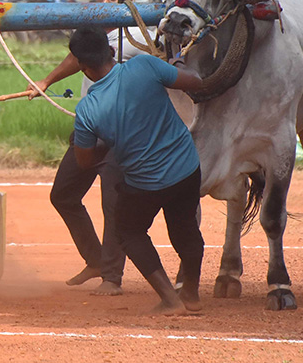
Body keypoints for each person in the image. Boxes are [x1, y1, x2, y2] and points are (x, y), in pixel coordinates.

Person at [67, 27, 206, 314]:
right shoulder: (145, 65)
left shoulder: (88, 110)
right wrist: (178, 63)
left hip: (145, 183)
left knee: (129, 231)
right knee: (186, 228)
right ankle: (190, 291)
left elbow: (83, 162)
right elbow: (195, 83)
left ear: (83, 68)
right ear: (112, 51)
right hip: (186, 166)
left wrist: (105, 146)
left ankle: (170, 298)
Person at [25, 0, 134, 295]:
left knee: (113, 205)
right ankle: (96, 260)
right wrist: (45, 81)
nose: (103, 3)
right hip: (88, 128)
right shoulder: (90, 31)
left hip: (121, 136)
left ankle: (112, 278)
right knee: (63, 195)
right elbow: (76, 56)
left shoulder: (141, 37)